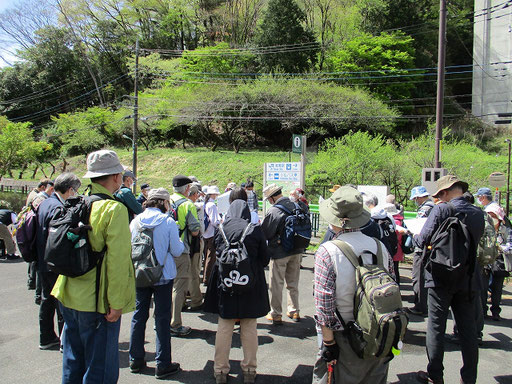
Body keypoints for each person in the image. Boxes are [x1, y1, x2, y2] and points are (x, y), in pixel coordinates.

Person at [51, 150, 136, 384]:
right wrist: (117, 303)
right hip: (97, 301)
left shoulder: (79, 202)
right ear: (117, 177)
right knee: (100, 369)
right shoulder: (114, 209)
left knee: (72, 361)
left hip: (68, 293)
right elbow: (118, 262)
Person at [312, 186, 392, 384]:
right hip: (378, 335)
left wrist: (328, 343)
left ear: (335, 220)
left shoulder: (327, 251)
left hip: (344, 336)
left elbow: (324, 305)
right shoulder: (379, 247)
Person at [415, 175, 484, 384]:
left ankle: (436, 376)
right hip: (468, 278)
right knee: (468, 330)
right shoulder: (478, 213)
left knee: (436, 326)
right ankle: (469, 378)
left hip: (440, 276)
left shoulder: (442, 209)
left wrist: (415, 234)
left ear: (445, 192)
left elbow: (422, 239)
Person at [204, 199, 270, 384]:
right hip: (250, 283)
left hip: (226, 283)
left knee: (224, 327)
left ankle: (220, 371)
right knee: (249, 327)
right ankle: (249, 369)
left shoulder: (222, 229)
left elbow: (217, 251)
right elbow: (265, 258)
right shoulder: (254, 229)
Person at [129, 188, 184, 379]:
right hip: (162, 275)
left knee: (139, 315)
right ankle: (163, 364)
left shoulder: (135, 221)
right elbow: (177, 251)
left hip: (140, 274)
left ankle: (135, 359)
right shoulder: (167, 222)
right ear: (163, 202)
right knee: (161, 319)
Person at [36, 173, 81, 351]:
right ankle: (65, 340)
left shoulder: (45, 203)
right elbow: (60, 237)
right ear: (70, 190)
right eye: (75, 190)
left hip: (42, 258)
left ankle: (46, 337)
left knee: (47, 299)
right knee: (62, 300)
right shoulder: (58, 208)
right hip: (55, 261)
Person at [261, 184, 308, 324]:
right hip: (298, 249)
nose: (269, 201)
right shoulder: (297, 205)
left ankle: (276, 313)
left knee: (276, 284)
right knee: (293, 282)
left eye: (269, 199)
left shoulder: (274, 211)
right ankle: (294, 311)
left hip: (280, 252)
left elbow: (266, 233)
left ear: (272, 197)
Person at [169, 175, 200, 336]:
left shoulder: (165, 200)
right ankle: (175, 323)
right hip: (181, 250)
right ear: (187, 189)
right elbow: (195, 230)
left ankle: (162, 320)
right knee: (179, 287)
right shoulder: (188, 205)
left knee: (165, 286)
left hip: (163, 250)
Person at [408, 186, 435, 316]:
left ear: (418, 197)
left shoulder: (425, 209)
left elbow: (419, 228)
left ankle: (420, 306)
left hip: (421, 248)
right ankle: (425, 305)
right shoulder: (433, 206)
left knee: (418, 277)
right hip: (430, 248)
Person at [483, 203, 511, 321]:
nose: (490, 217)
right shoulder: (484, 227)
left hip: (499, 261)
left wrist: (499, 247)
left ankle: (495, 311)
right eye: (488, 215)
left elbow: (510, 246)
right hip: (485, 260)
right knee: (483, 287)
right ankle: (483, 310)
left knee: (497, 288)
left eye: (493, 215)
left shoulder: (506, 229)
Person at [187, 182, 204, 310]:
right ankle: (196, 300)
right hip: (194, 243)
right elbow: (197, 229)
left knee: (180, 275)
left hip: (180, 244)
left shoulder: (175, 204)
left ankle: (181, 299)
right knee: (194, 272)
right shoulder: (195, 207)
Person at [382, 202, 406, 286]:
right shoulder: (400, 220)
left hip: (393, 249)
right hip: (399, 249)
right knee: (396, 269)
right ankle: (397, 287)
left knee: (392, 269)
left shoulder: (392, 221)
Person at [203, 185, 221, 285]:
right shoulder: (212, 205)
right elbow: (214, 221)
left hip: (205, 232)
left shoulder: (206, 203)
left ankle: (206, 277)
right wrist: (220, 222)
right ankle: (207, 278)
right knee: (211, 256)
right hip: (211, 233)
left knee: (206, 256)